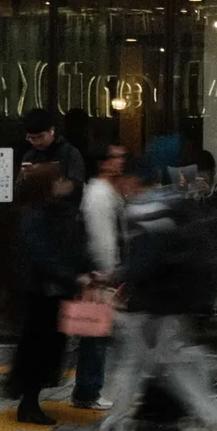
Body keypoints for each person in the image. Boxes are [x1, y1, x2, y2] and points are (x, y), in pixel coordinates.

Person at [74, 162, 217, 431]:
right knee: (170, 365)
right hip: (177, 299)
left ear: (131, 181)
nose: (119, 186)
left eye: (121, 180)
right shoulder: (169, 201)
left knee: (133, 365)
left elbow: (146, 259)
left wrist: (115, 277)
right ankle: (214, 424)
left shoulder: (144, 208)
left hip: (154, 303)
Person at [7, 161, 88, 429]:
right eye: (58, 179)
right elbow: (42, 255)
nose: (64, 182)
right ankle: (28, 404)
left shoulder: (55, 211)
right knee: (38, 349)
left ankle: (30, 401)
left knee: (46, 349)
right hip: (40, 294)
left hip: (52, 292)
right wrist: (72, 276)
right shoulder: (36, 214)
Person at [71, 144, 126, 412]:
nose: (121, 162)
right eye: (116, 157)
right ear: (104, 162)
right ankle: (88, 390)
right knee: (96, 335)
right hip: (100, 273)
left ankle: (89, 389)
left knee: (98, 335)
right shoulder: (99, 194)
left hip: (100, 271)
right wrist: (107, 272)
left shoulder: (103, 191)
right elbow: (102, 238)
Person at [20, 107, 86, 192]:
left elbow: (77, 185)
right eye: (32, 138)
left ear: (51, 131)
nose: (36, 142)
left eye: (40, 137)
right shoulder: (29, 155)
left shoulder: (69, 153)